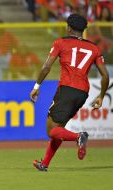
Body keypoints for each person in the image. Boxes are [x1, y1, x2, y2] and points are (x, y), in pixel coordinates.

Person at [30, 14, 109, 172]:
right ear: (83, 30)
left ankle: (79, 136)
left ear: (69, 28)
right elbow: (105, 75)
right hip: (83, 93)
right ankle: (44, 163)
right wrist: (101, 96)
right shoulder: (94, 48)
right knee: (60, 128)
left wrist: (37, 86)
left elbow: (46, 67)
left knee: (51, 130)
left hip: (67, 88)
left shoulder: (61, 42)